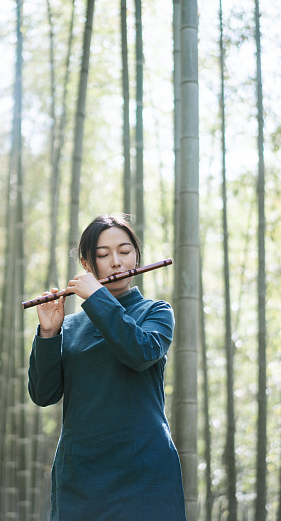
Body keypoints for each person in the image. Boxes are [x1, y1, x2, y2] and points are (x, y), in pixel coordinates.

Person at [28, 214, 186, 520]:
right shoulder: (70, 326)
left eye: (125, 251)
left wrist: (97, 297)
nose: (116, 262)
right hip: (81, 473)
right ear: (88, 264)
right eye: (103, 255)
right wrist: (49, 333)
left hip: (145, 468)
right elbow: (43, 394)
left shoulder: (156, 312)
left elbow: (139, 352)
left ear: (137, 255)